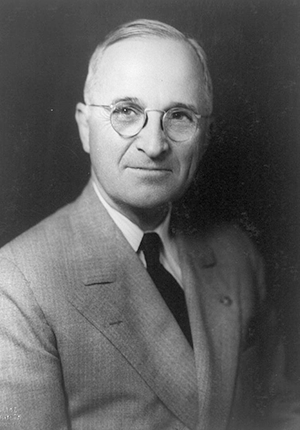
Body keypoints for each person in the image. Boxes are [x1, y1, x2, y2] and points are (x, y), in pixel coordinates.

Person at [0, 19, 298, 430]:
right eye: (126, 111)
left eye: (179, 116)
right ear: (85, 127)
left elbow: (278, 411)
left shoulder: (235, 253)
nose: (154, 144)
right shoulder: (18, 284)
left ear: (205, 136)